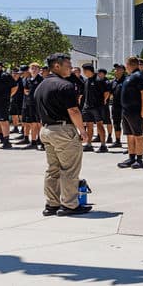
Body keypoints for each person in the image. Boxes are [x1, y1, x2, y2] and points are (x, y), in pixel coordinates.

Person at [33, 53, 91, 216]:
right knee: (69, 169)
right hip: (64, 130)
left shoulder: (41, 86)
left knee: (53, 169)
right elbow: (73, 110)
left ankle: (52, 204)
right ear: (56, 66)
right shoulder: (65, 86)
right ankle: (69, 205)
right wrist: (82, 130)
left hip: (46, 130)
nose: (71, 69)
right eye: (67, 65)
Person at [117, 56, 143, 169]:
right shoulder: (130, 77)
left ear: (131, 64)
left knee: (138, 135)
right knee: (129, 135)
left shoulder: (139, 76)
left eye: (126, 64)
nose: (125, 66)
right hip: (127, 111)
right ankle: (131, 158)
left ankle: (139, 159)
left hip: (136, 111)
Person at [80, 64, 109, 153]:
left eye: (84, 71)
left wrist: (104, 101)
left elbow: (106, 92)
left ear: (88, 70)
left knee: (100, 125)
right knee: (89, 125)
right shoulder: (86, 81)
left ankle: (103, 145)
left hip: (98, 107)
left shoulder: (99, 80)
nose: (83, 73)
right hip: (87, 107)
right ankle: (89, 144)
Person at [22, 63, 45, 150]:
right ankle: (33, 142)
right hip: (29, 104)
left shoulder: (41, 79)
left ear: (39, 70)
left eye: (35, 68)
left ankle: (43, 142)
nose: (33, 70)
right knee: (32, 123)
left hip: (38, 104)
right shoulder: (28, 79)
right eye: (32, 68)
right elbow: (26, 90)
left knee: (39, 124)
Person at [107, 64, 126, 148]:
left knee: (128, 124)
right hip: (115, 105)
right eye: (115, 69)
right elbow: (110, 94)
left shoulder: (127, 80)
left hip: (126, 105)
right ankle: (118, 141)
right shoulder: (113, 82)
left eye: (118, 69)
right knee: (116, 123)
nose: (116, 70)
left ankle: (132, 144)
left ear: (123, 70)